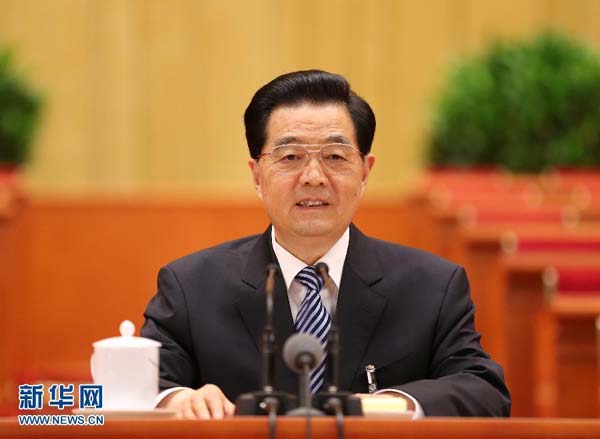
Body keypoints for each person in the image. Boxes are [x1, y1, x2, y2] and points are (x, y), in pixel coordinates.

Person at [141, 70, 511, 419]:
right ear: (257, 175)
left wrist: (392, 405)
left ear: (364, 172)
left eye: (335, 157)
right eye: (290, 157)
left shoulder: (432, 286)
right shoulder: (192, 286)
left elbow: (484, 391)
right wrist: (178, 399)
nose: (314, 177)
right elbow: (140, 384)